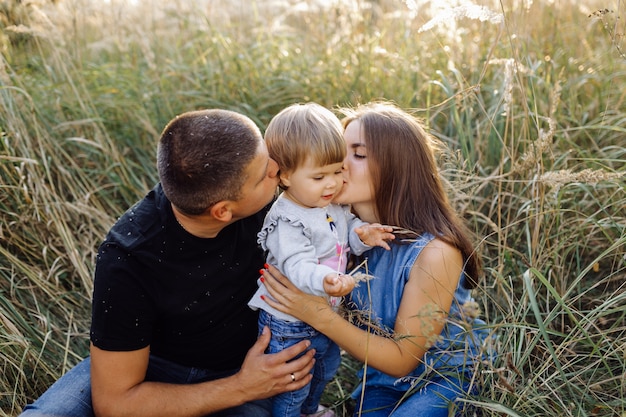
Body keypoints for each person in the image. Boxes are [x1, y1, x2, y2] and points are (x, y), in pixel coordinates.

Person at [20, 109, 317, 417]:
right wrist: (242, 387)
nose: (276, 167)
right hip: (148, 369)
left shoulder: (276, 204)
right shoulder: (129, 256)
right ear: (222, 211)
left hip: (246, 366)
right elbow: (116, 404)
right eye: (261, 175)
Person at [260, 101, 493, 417]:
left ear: (397, 167)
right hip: (381, 379)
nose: (339, 165)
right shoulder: (339, 234)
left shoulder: (434, 253)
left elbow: (402, 359)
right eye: (337, 152)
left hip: (448, 377)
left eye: (357, 154)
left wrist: (314, 313)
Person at [248, 103, 394, 417]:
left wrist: (362, 234)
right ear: (284, 175)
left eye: (337, 171)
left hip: (322, 311)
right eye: (319, 176)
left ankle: (310, 410)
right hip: (289, 322)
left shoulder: (325, 202)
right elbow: (297, 264)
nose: (331, 184)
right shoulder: (287, 219)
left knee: (325, 368)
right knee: (293, 382)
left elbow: (343, 230)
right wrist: (324, 281)